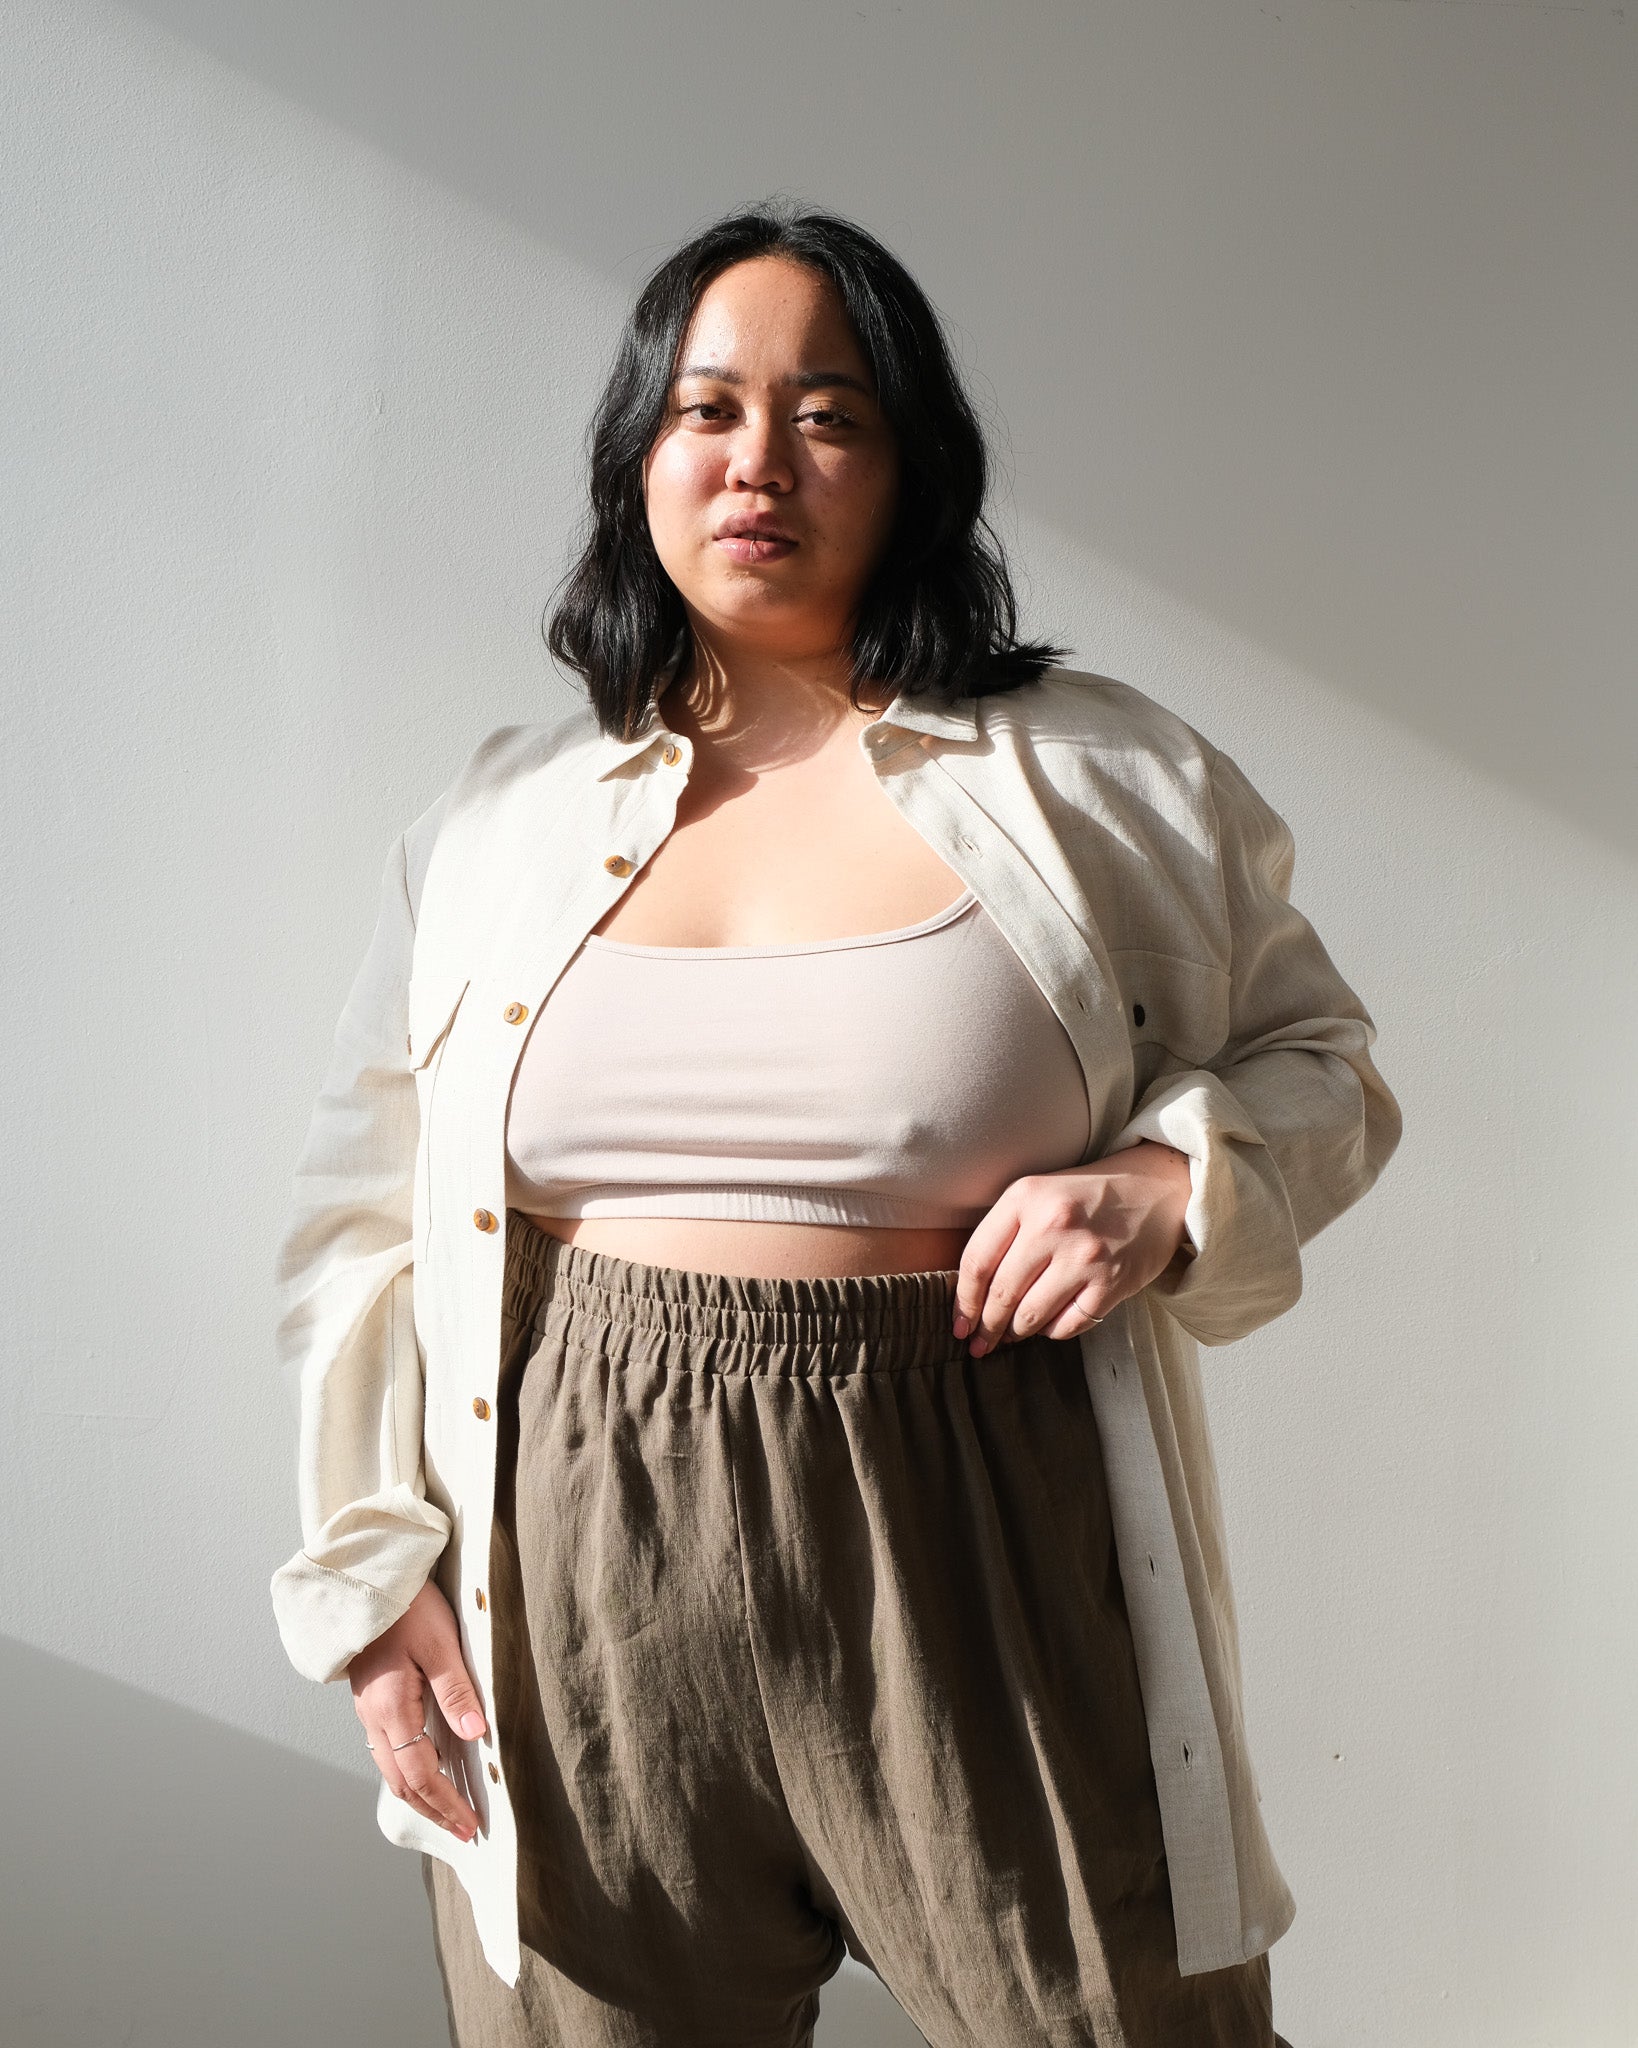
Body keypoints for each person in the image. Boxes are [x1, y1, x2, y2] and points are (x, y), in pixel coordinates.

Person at [271, 201, 1401, 2048]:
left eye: (829, 415)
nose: (759, 461)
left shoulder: (1101, 779)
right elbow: (359, 1227)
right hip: (571, 1554)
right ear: (638, 458)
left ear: (911, 466)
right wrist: (369, 1573)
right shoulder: (493, 825)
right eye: (707, 409)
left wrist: (1156, 1184)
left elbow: (1321, 1061)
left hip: (978, 1513)